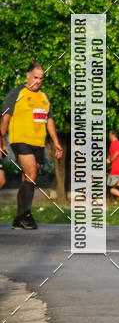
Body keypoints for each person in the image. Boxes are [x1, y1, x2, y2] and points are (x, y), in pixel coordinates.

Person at [1, 62, 63, 229]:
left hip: (38, 143)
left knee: (29, 178)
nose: (38, 81)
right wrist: (1, 141)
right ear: (28, 76)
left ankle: (19, 218)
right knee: (31, 173)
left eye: (41, 79)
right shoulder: (17, 93)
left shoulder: (43, 96)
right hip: (20, 140)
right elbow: (5, 118)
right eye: (35, 78)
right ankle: (25, 215)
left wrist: (56, 142)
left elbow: (49, 120)